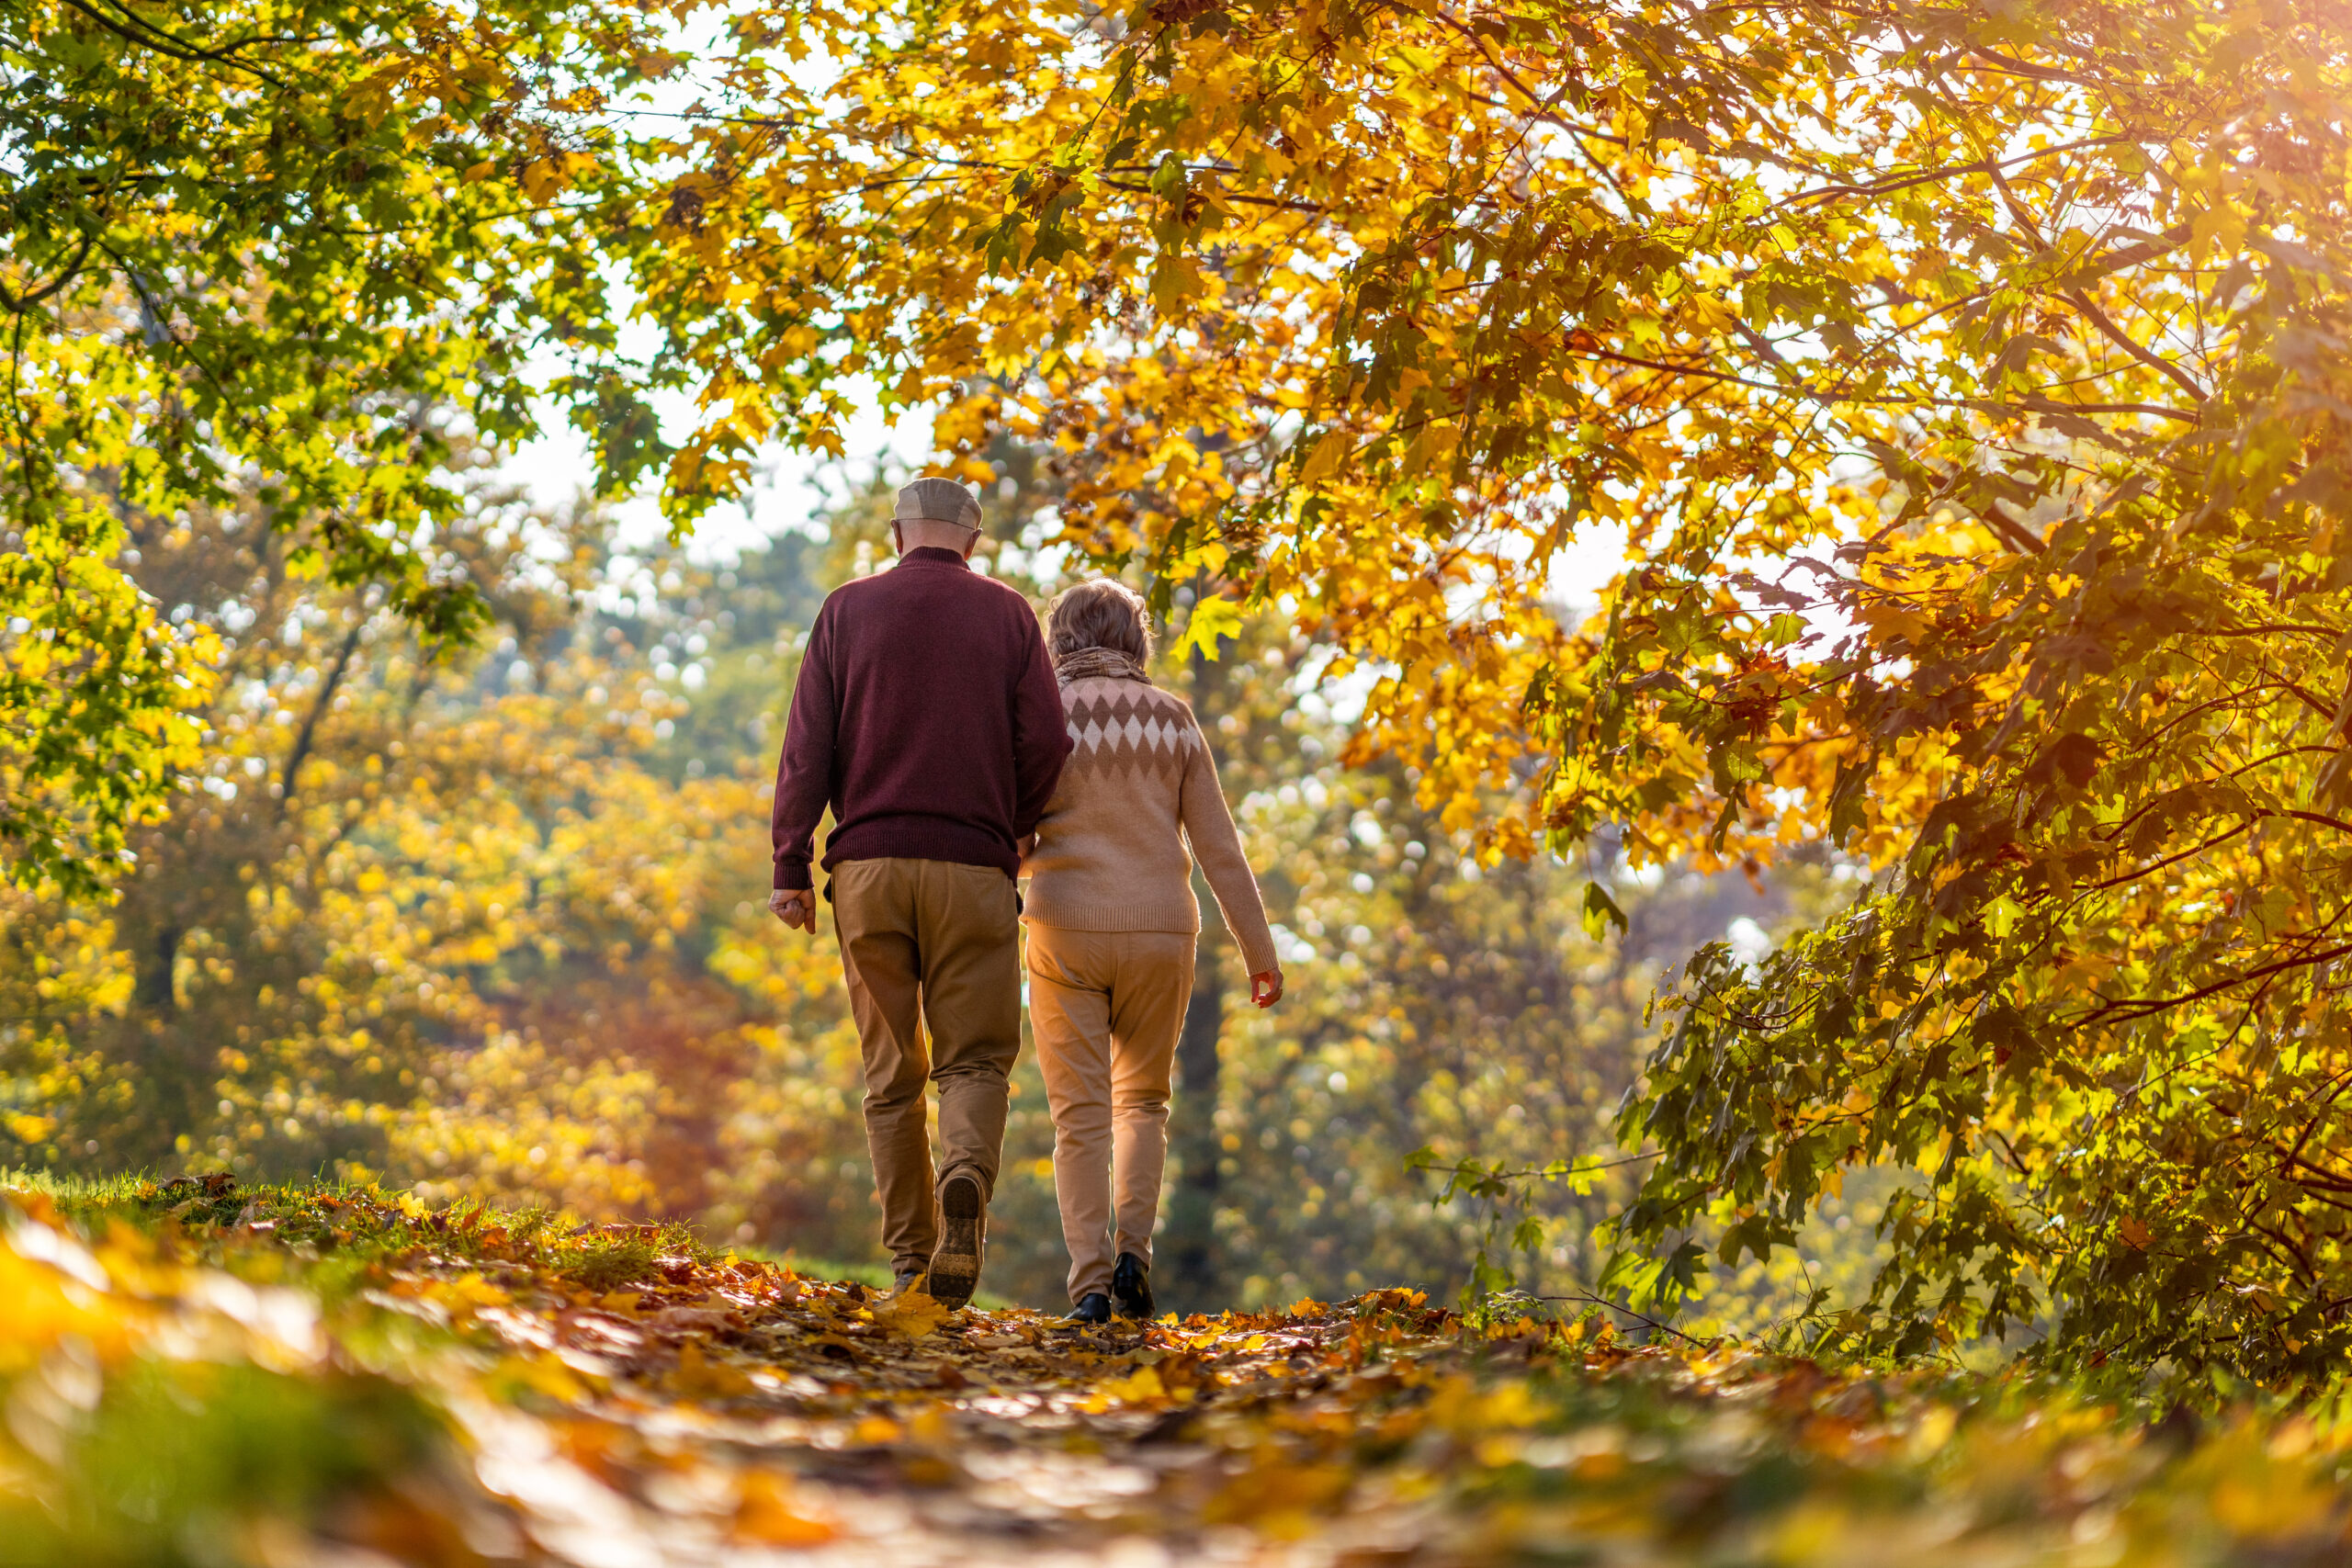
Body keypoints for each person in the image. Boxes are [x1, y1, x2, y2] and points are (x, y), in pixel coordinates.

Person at [768, 477, 1070, 1309]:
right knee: (974, 1058)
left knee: (890, 1074)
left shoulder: (845, 610)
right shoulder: (1009, 614)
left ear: (898, 531)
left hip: (866, 870)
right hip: (974, 868)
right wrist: (1011, 819)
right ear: (972, 539)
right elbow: (1048, 736)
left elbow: (806, 747)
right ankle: (964, 1175)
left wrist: (789, 866)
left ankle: (910, 1262)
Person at [1020, 580, 1284, 1324]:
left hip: (1064, 928)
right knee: (1144, 1100)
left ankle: (1091, 1286)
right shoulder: (1173, 719)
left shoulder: (1041, 715)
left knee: (1079, 1116)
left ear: (1061, 637)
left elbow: (1012, 834)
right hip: (1164, 931)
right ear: (1136, 638)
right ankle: (1135, 1252)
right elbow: (1219, 850)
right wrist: (1259, 952)